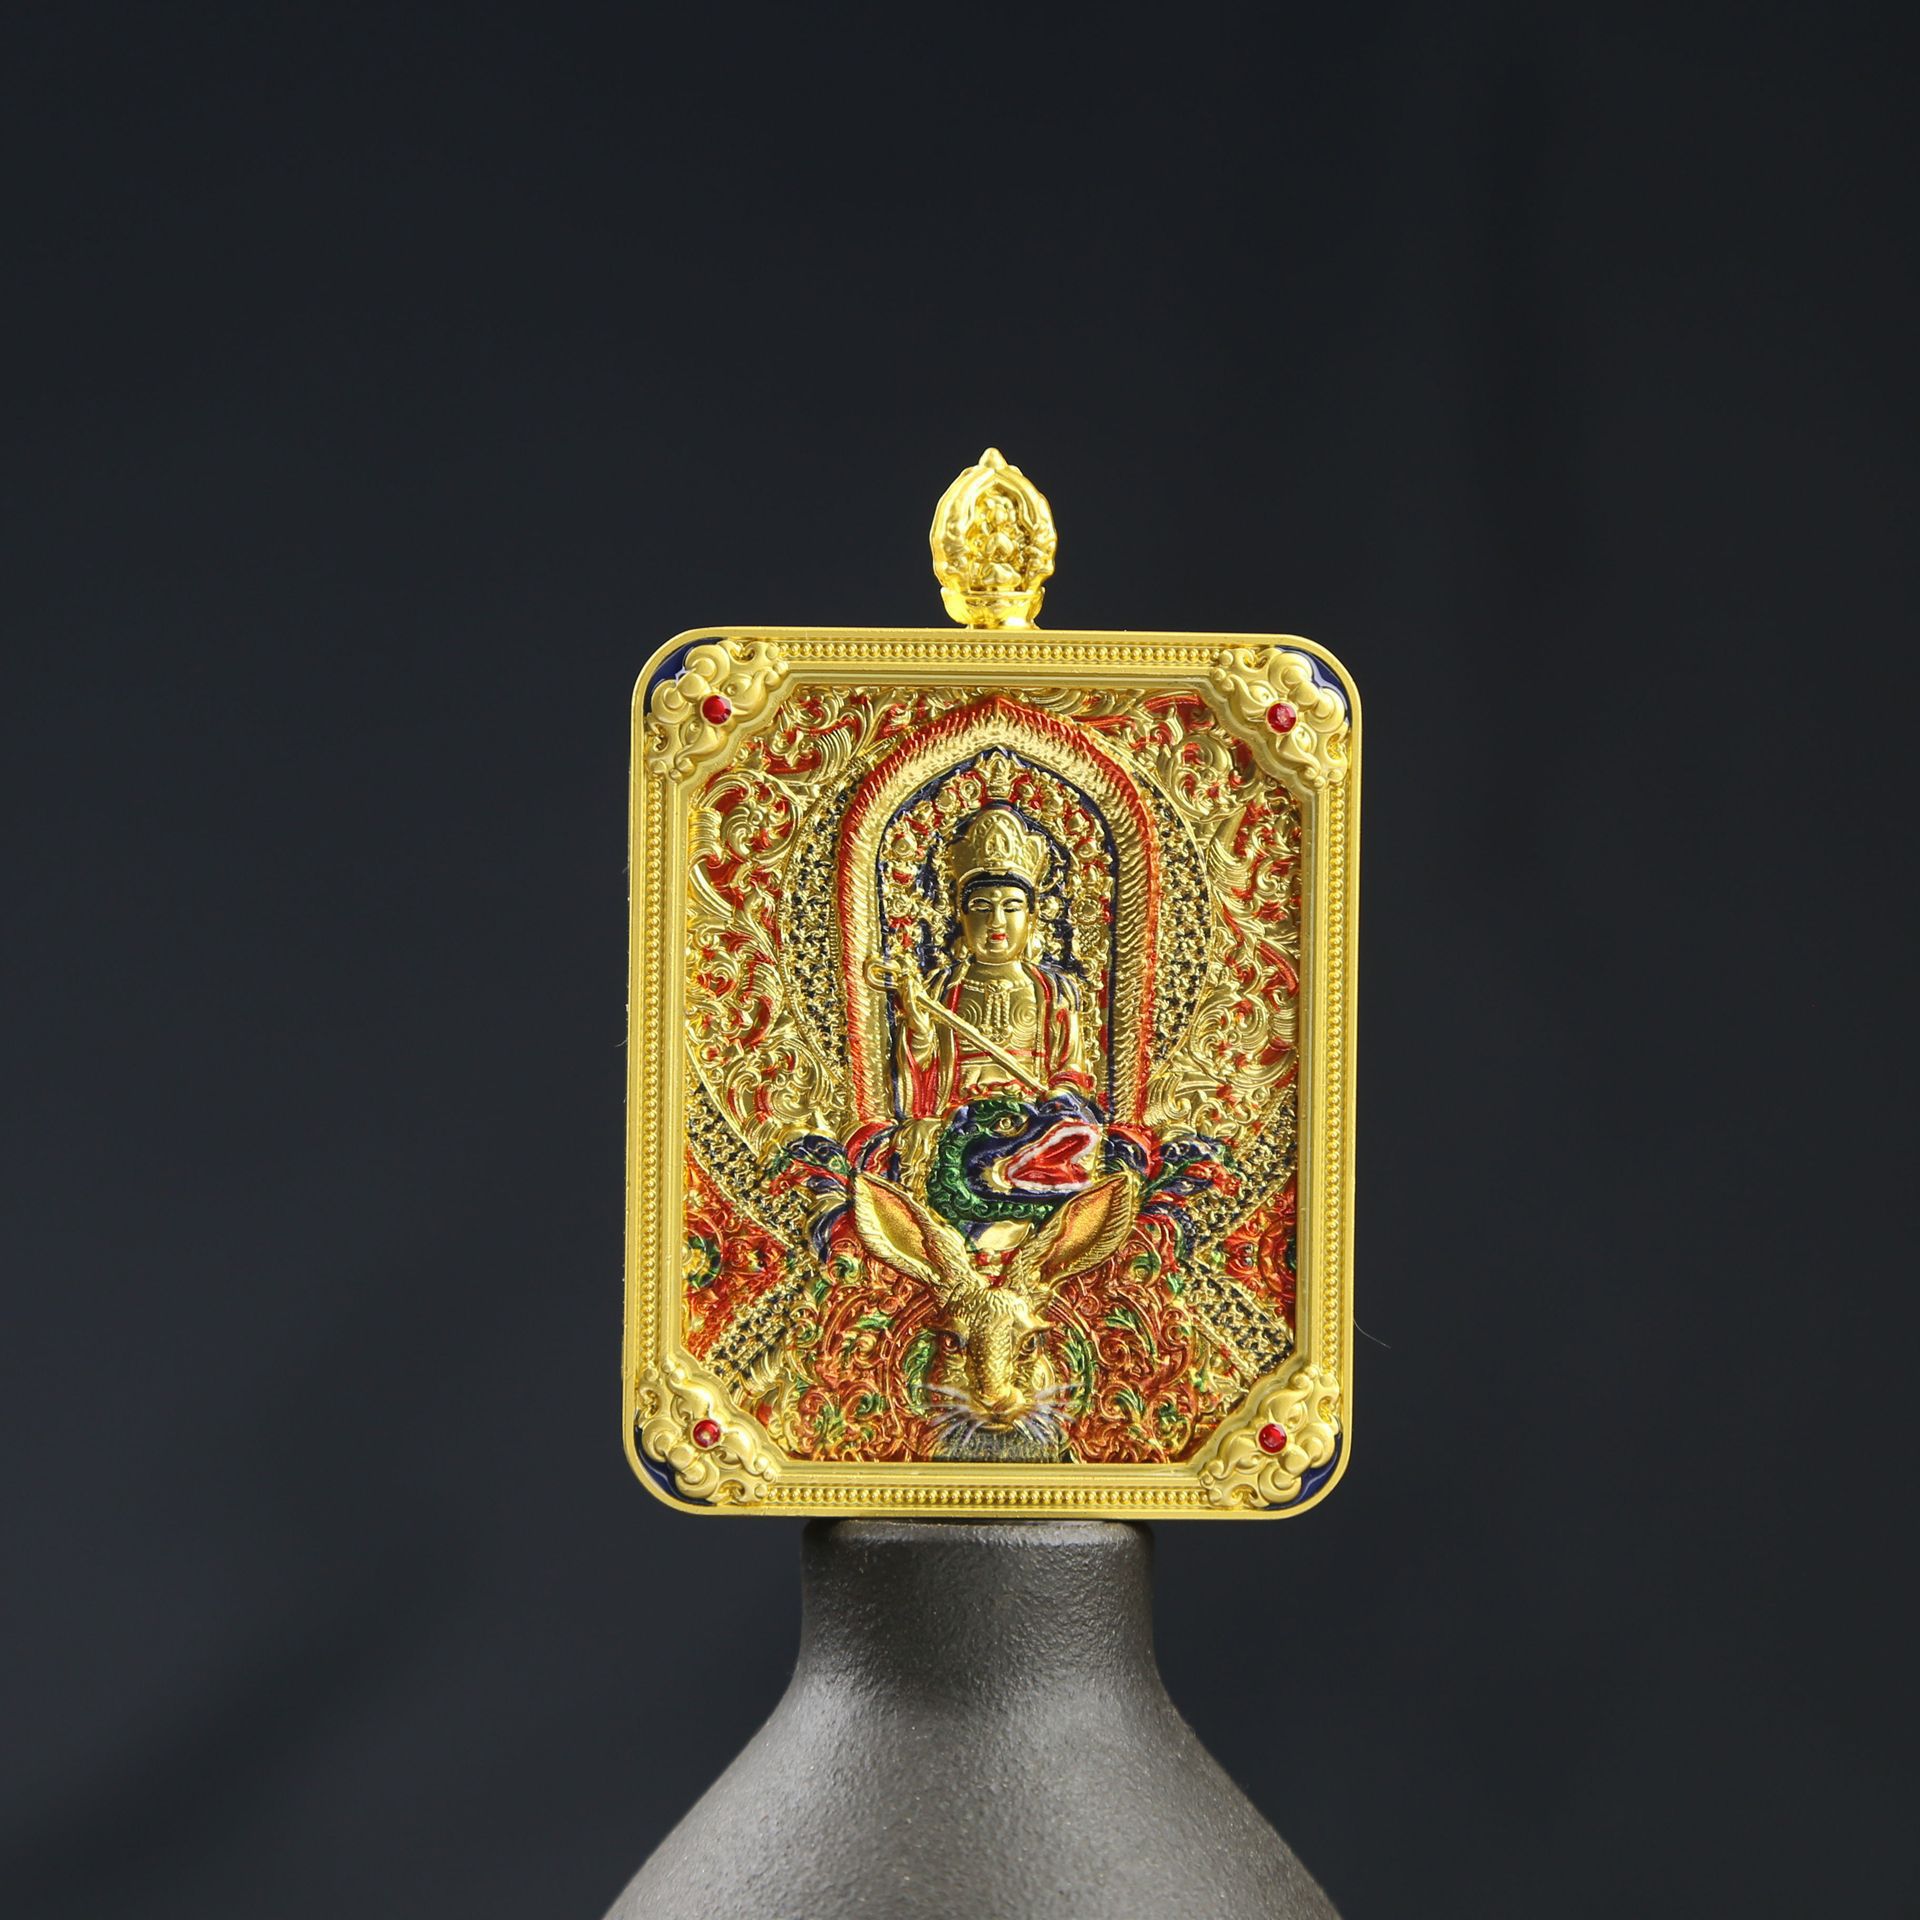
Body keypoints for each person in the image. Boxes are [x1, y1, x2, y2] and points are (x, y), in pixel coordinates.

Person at [884, 806, 1095, 1122]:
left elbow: (1071, 1069)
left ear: (1031, 916)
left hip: (1030, 1122)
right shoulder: (938, 989)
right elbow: (918, 1071)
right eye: (981, 907)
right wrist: (919, 1030)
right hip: (958, 1121)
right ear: (961, 915)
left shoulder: (1055, 991)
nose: (996, 921)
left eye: (1011, 908)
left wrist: (1062, 1095)